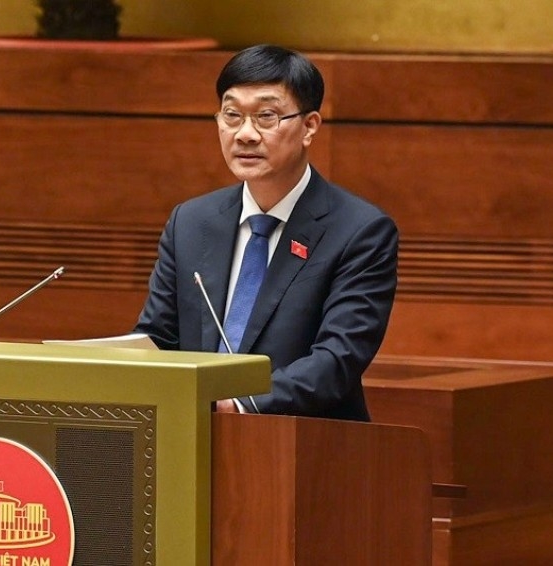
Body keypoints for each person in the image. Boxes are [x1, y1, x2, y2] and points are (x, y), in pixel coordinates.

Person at [133, 44, 398, 421]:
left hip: (303, 442)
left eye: (266, 116)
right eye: (232, 115)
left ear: (309, 126)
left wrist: (239, 405)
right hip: (190, 435)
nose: (245, 134)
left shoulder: (359, 232)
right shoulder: (190, 222)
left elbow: (335, 361)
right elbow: (157, 340)